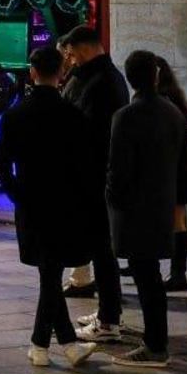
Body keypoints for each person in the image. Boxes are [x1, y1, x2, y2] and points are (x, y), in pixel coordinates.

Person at [0, 46, 98, 369]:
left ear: (32, 73)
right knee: (51, 273)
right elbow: (85, 167)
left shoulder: (14, 116)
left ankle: (50, 345)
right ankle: (53, 345)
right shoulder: (74, 115)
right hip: (65, 204)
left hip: (31, 204)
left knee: (48, 272)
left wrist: (18, 195)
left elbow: (1, 169)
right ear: (61, 74)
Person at [105, 50, 187, 368]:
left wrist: (112, 200)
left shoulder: (126, 117)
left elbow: (118, 170)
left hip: (134, 209)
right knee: (150, 278)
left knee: (146, 278)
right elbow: (186, 163)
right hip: (162, 205)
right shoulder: (173, 113)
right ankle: (155, 341)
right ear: (156, 75)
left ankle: (155, 345)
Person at [60, 26, 131, 344]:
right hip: (94, 175)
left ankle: (108, 319)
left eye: (72, 55)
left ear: (83, 49)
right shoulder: (100, 77)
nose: (70, 61)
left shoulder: (101, 82)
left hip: (95, 177)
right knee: (101, 248)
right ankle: (107, 310)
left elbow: (87, 130)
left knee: (102, 248)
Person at [156, 58, 187, 292]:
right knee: (177, 220)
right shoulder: (177, 100)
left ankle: (177, 275)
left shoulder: (163, 103)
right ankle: (176, 272)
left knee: (176, 221)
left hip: (173, 170)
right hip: (182, 168)